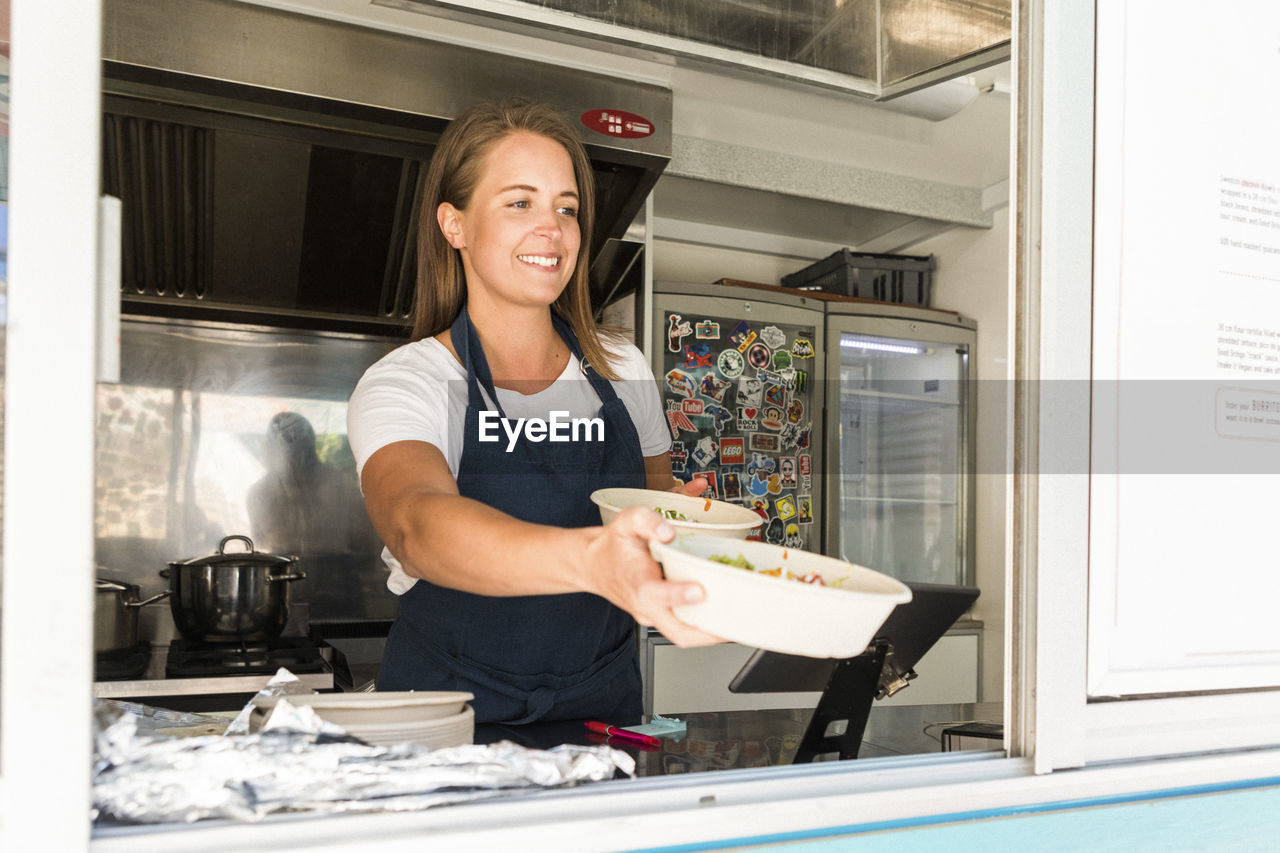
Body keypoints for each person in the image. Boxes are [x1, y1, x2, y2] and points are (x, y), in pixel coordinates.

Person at [346, 99, 719, 725]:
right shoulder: (411, 381)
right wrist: (590, 560)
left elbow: (651, 510)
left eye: (566, 208)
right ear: (454, 224)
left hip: (602, 706)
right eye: (520, 202)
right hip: (446, 713)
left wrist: (689, 536)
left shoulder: (623, 370)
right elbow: (416, 526)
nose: (552, 229)